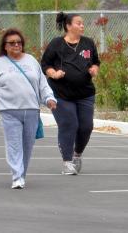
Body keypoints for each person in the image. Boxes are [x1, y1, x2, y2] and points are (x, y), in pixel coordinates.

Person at [0, 28, 56, 189]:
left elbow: (42, 83)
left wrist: (49, 98)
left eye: (19, 42)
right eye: (12, 43)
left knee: (27, 146)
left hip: (32, 111)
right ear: (5, 46)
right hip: (9, 111)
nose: (16, 45)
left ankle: (21, 174)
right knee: (14, 144)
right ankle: (17, 176)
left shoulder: (31, 60)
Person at [40, 12, 100, 175]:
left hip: (85, 93)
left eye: (82, 23)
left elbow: (95, 61)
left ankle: (77, 154)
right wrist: (53, 73)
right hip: (61, 94)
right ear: (68, 26)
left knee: (86, 127)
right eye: (78, 23)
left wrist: (94, 69)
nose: (82, 26)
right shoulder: (56, 44)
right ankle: (67, 162)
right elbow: (45, 64)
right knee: (69, 124)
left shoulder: (88, 43)